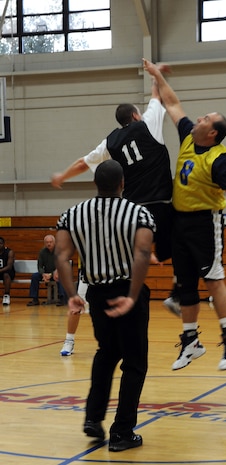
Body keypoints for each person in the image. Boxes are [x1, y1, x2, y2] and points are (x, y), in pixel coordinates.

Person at [143, 58, 226, 371]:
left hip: (204, 222)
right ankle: (191, 342)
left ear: (212, 133)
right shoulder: (187, 136)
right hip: (179, 221)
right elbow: (172, 102)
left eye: (205, 118)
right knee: (185, 287)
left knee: (213, 281)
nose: (198, 117)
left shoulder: (220, 159)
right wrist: (155, 74)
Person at [52, 73, 179, 356]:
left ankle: (150, 255)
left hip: (131, 211)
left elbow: (83, 163)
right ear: (135, 115)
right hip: (159, 200)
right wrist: (157, 75)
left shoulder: (110, 142)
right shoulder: (148, 124)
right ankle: (177, 290)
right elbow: (157, 96)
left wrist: (63, 175)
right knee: (184, 238)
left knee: (133, 248)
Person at [55, 159, 155, 452]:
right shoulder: (139, 213)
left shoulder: (72, 214)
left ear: (95, 184)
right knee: (134, 363)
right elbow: (143, 251)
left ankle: (93, 418)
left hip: (96, 292)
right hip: (127, 290)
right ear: (123, 183)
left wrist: (72, 293)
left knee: (107, 353)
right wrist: (132, 296)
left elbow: (62, 256)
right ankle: (123, 432)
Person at [26, 234, 66, 306]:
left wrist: (51, 274)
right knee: (34, 276)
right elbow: (40, 266)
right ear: (44, 243)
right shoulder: (42, 252)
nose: (49, 244)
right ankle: (35, 299)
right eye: (47, 242)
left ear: (54, 242)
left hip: (57, 273)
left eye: (50, 242)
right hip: (46, 273)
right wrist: (43, 274)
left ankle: (61, 299)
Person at [0, 237, 15, 305]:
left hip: (8, 272)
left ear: (4, 244)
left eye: (0, 243)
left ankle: (6, 295)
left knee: (6, 274)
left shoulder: (9, 252)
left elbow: (9, 266)